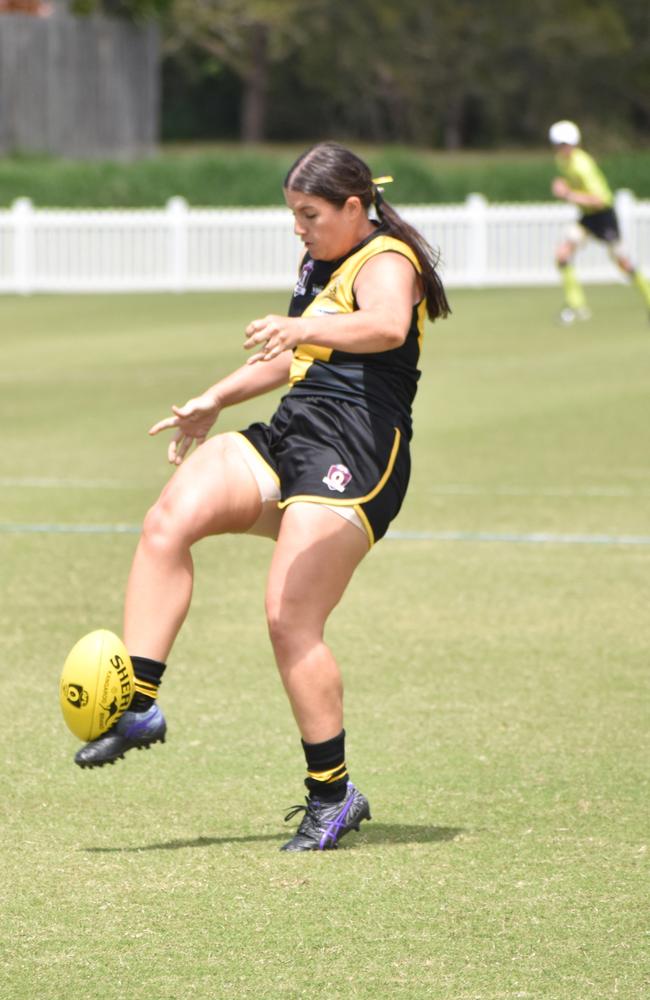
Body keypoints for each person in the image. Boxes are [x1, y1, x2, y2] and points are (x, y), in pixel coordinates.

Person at [73, 142, 450, 852]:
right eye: (293, 214)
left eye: (310, 214)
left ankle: (332, 797)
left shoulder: (389, 259)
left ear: (353, 207)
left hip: (356, 454)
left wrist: (302, 325)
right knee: (168, 520)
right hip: (293, 434)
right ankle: (139, 703)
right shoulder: (319, 264)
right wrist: (211, 399)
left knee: (287, 617)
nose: (299, 228)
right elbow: (289, 356)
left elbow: (386, 327)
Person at [548, 119, 650, 325]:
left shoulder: (582, 165)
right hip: (587, 217)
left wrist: (568, 194)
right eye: (558, 145)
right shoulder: (561, 161)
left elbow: (599, 199)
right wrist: (565, 187)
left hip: (603, 216)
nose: (561, 149)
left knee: (623, 262)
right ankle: (576, 304)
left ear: (573, 144)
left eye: (564, 144)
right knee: (562, 254)